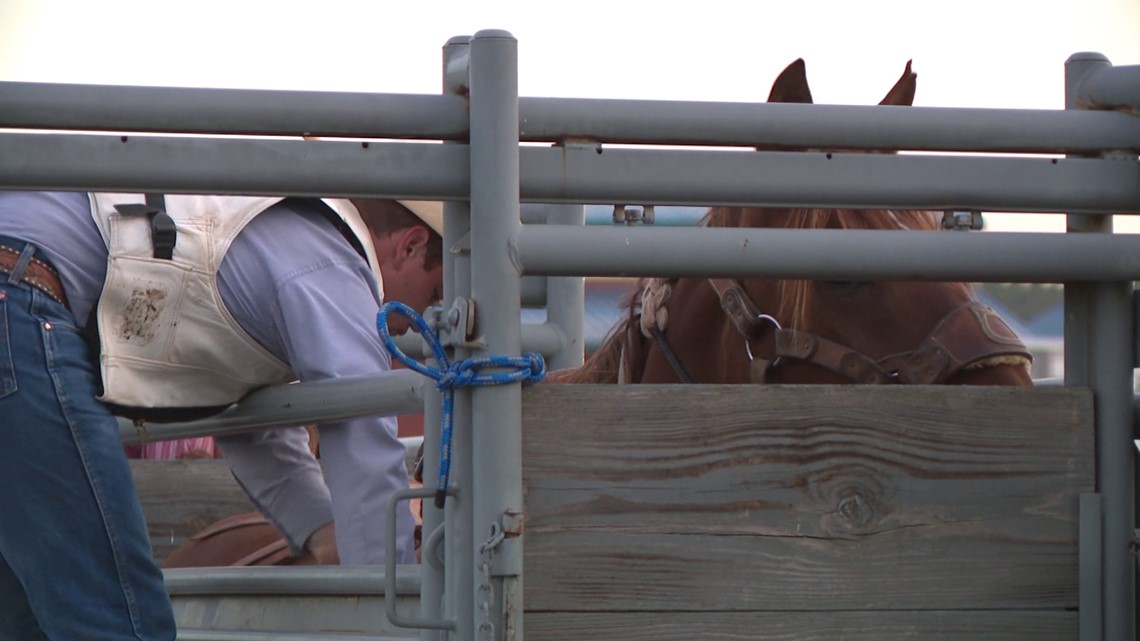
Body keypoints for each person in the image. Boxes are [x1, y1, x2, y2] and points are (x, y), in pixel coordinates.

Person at [0, 191, 443, 640]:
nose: (426, 318)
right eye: (437, 290)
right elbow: (362, 426)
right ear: (410, 245)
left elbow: (252, 423)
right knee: (120, 620)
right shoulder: (335, 268)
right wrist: (393, 602)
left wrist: (322, 530)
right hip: (19, 295)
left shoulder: (283, 239)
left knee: (32, 619)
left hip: (20, 284)